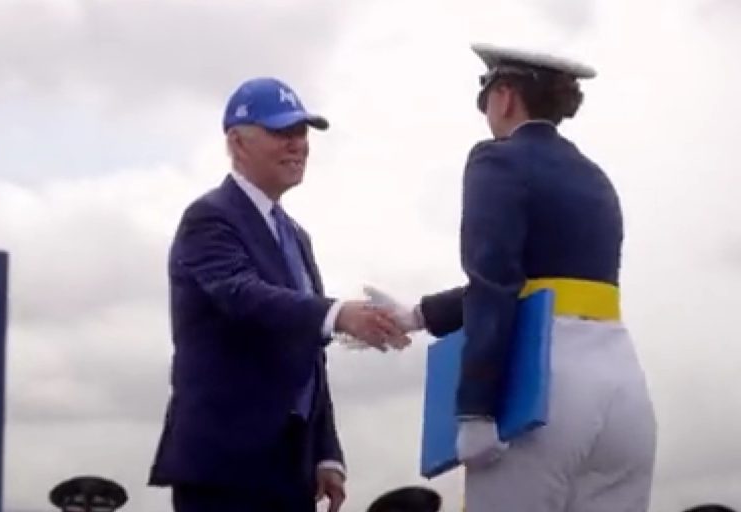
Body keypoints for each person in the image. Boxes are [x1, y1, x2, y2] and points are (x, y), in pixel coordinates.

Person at [366, 43, 657, 512]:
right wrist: (415, 315)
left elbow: (495, 283)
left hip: (544, 385)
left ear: (504, 96)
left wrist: (476, 409)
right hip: (623, 386)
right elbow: (538, 284)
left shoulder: (496, 160)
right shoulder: (594, 176)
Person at [148, 76, 409, 512]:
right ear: (236, 142)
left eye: (301, 133)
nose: (298, 145)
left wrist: (325, 450)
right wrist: (339, 314)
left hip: (290, 466)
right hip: (226, 467)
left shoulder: (296, 237)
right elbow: (242, 295)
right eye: (281, 133)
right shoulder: (208, 219)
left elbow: (307, 352)